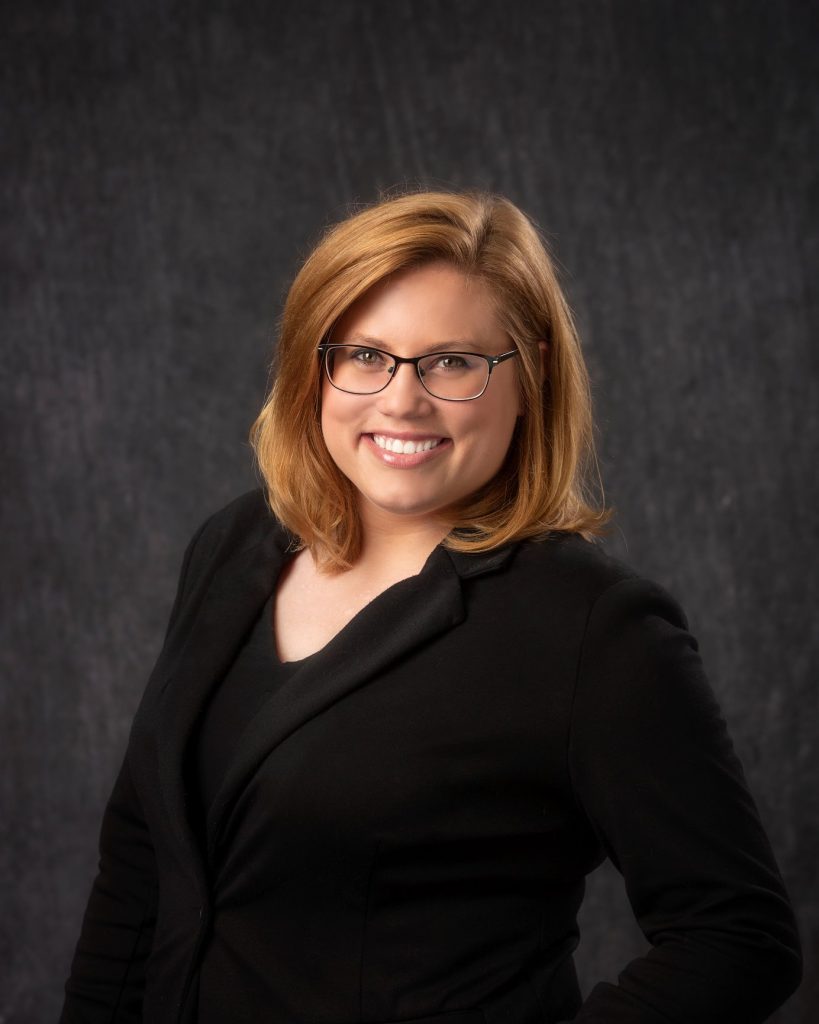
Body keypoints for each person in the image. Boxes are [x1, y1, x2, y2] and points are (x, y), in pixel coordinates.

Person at [61, 190, 802, 1024]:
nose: (400, 400)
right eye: (363, 355)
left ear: (532, 378)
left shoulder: (594, 629)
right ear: (315, 367)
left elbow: (737, 939)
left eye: (451, 361)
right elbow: (140, 864)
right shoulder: (233, 547)